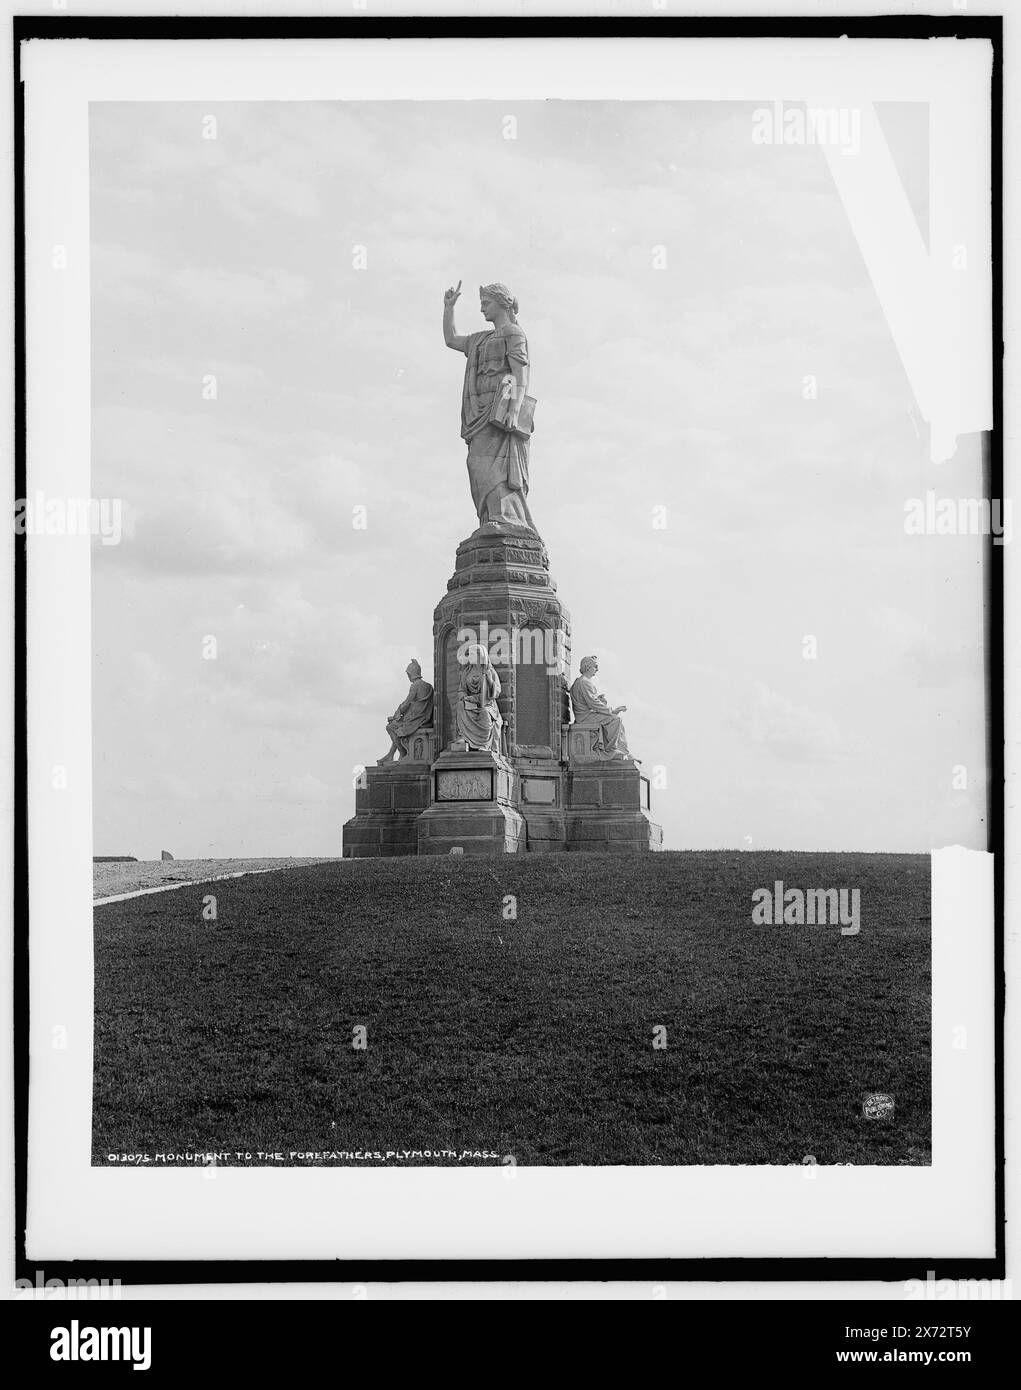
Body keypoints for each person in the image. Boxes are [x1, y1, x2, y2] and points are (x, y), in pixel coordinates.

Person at [443, 279, 536, 531]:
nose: (482, 309)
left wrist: (514, 410)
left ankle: (505, 518)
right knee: (477, 464)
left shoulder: (514, 333)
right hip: (479, 415)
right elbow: (451, 339)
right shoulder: (479, 339)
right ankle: (488, 518)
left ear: (501, 304)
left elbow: (520, 373)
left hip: (501, 412)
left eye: (486, 303)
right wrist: (448, 308)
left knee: (499, 470)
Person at [569, 656, 632, 759]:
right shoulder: (584, 682)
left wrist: (599, 700)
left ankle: (624, 752)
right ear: (588, 667)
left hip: (585, 714)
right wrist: (612, 710)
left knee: (617, 721)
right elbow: (593, 703)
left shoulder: (580, 681)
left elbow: (588, 701)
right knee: (616, 720)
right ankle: (610, 751)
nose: (597, 669)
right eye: (595, 666)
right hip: (585, 717)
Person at [378, 660, 434, 763]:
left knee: (391, 726)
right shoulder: (429, 686)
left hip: (417, 720)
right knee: (396, 724)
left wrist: (397, 714)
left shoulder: (415, 686)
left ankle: (404, 754)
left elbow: (407, 703)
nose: (408, 676)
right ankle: (391, 754)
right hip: (425, 717)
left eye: (408, 674)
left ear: (411, 673)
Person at [454, 644, 503, 755]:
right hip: (470, 702)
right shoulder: (467, 672)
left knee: (485, 713)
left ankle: (484, 743)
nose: (469, 656)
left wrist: (490, 681)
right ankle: (464, 737)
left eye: (472, 654)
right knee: (460, 705)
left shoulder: (489, 671)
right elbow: (461, 689)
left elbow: (497, 692)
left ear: (480, 656)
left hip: (486, 704)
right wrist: (464, 696)